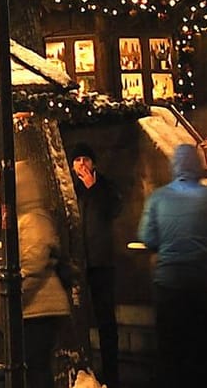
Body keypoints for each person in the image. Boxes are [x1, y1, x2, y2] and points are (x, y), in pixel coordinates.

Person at [135, 143, 207, 388]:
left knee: (171, 345)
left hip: (168, 283)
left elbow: (147, 237)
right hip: (201, 281)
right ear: (197, 165)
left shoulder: (158, 198)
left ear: (173, 166)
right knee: (201, 343)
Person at [7, 158, 74, 388]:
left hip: (40, 306)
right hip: (40, 305)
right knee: (36, 366)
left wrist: (16, 293)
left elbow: (34, 261)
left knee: (36, 367)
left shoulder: (32, 220)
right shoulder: (30, 218)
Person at [69, 143, 123, 384]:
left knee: (105, 321)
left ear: (94, 163)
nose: (82, 164)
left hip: (101, 263)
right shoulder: (70, 190)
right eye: (77, 159)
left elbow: (113, 210)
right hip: (79, 263)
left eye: (86, 159)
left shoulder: (105, 186)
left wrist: (94, 189)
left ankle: (111, 375)